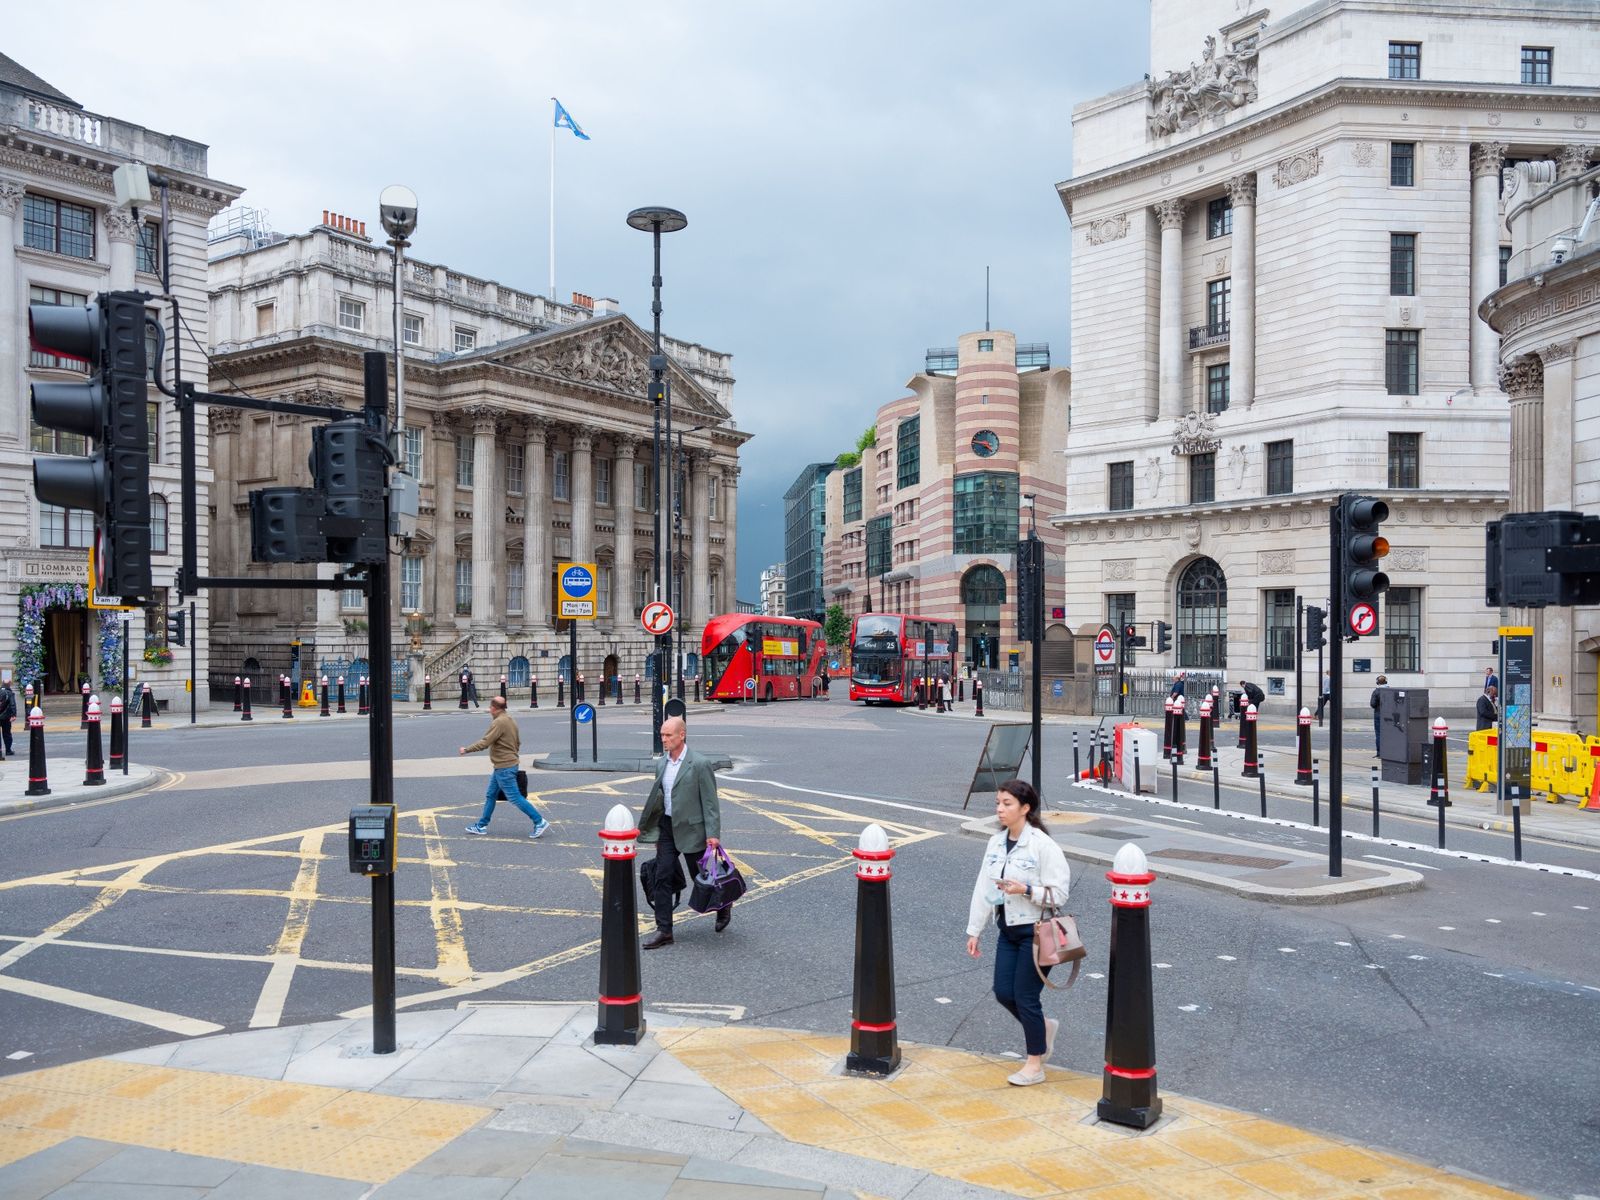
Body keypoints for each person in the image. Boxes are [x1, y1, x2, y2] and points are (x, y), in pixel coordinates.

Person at [966, 779, 1070, 1087]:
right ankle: (1043, 1028)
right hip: (1007, 930)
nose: (1000, 809)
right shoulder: (996, 843)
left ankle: (1034, 1063)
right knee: (1003, 992)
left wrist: (1025, 889)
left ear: (1025, 808)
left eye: (1007, 803)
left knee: (1025, 996)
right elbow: (983, 888)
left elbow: (1059, 894)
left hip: (1036, 933)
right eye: (998, 803)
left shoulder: (1042, 845)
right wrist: (975, 930)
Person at [638, 716, 729, 948]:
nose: (664, 739)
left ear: (682, 735)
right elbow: (661, 800)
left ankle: (723, 905)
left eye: (668, 735)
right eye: (662, 735)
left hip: (693, 829)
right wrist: (657, 833)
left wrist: (713, 834)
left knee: (703, 878)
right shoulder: (662, 763)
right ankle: (664, 931)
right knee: (661, 876)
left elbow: (710, 802)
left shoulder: (699, 764)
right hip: (667, 827)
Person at [459, 696, 550, 838]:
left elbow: (485, 742)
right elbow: (518, 742)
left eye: (490, 707)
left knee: (515, 798)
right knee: (491, 795)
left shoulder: (499, 722)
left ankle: (539, 821)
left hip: (504, 767)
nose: (489, 710)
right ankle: (481, 826)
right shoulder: (510, 720)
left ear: (494, 708)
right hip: (504, 765)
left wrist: (467, 750)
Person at [1370, 675, 1388, 751]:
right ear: (1386, 682)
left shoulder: (1376, 692)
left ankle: (1380, 752)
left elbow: (1373, 704)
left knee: (1378, 734)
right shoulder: (1390, 691)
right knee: (1388, 733)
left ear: (1377, 682)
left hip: (1378, 714)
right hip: (1389, 715)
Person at [0, 676, 15, 758]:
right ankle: (8, 750)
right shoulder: (10, 693)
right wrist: (13, 715)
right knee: (7, 734)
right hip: (6, 717)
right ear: (9, 684)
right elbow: (13, 705)